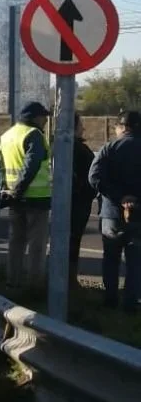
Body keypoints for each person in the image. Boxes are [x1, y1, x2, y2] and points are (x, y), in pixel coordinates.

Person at [88, 111, 141, 313]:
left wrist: (119, 198)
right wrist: (133, 200)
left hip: (111, 213)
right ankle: (130, 304)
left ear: (123, 127)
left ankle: (110, 300)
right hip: (138, 214)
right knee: (135, 261)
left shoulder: (109, 148)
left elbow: (94, 177)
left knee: (111, 258)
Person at [0, 101, 52, 288]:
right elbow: (32, 165)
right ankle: (34, 286)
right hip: (36, 199)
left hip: (14, 199)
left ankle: (13, 281)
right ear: (35, 117)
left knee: (16, 242)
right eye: (44, 116)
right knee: (37, 245)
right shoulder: (33, 134)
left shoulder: (7, 135)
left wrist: (4, 190)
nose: (45, 120)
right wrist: (18, 191)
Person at [68, 111, 96, 291]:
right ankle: (70, 280)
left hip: (70, 200)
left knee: (68, 240)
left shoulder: (60, 146)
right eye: (80, 125)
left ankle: (67, 278)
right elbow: (92, 177)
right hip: (78, 202)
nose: (83, 128)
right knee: (73, 240)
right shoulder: (79, 150)